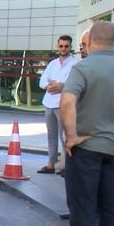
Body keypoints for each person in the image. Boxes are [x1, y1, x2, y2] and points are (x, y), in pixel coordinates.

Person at [48, 22, 114, 226]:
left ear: (91, 40)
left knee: (83, 204)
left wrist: (71, 137)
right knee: (110, 204)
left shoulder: (84, 67)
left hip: (87, 146)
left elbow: (67, 100)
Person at [37, 35, 77, 176]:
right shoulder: (53, 64)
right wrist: (50, 85)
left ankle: (67, 166)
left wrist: (62, 85)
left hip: (64, 105)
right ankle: (50, 164)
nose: (63, 48)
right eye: (61, 46)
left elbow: (74, 84)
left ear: (70, 47)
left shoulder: (75, 64)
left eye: (66, 46)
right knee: (51, 136)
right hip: (49, 104)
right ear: (57, 47)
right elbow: (42, 81)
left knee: (65, 137)